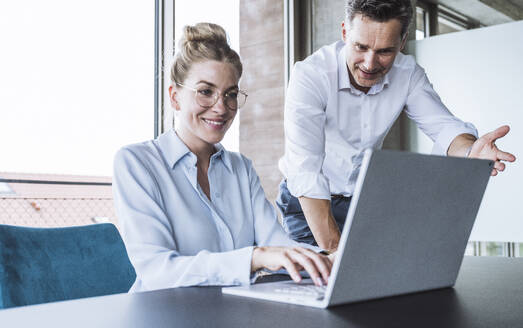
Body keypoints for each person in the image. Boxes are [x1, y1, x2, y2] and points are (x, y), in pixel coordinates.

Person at [277, 0, 516, 252]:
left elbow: (445, 128)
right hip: (307, 204)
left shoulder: (407, 73)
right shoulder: (311, 76)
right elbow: (306, 171)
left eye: (385, 51)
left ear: (402, 43)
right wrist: (336, 254)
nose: (370, 63)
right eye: (361, 47)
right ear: (345, 32)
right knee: (319, 283)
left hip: (361, 202)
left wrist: (470, 149)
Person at [112, 23, 332, 292]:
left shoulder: (241, 168)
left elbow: (278, 243)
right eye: (206, 92)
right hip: (163, 313)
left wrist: (329, 258)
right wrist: (254, 258)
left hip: (230, 313)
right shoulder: (136, 163)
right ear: (175, 97)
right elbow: (158, 271)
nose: (221, 108)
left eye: (230, 94)